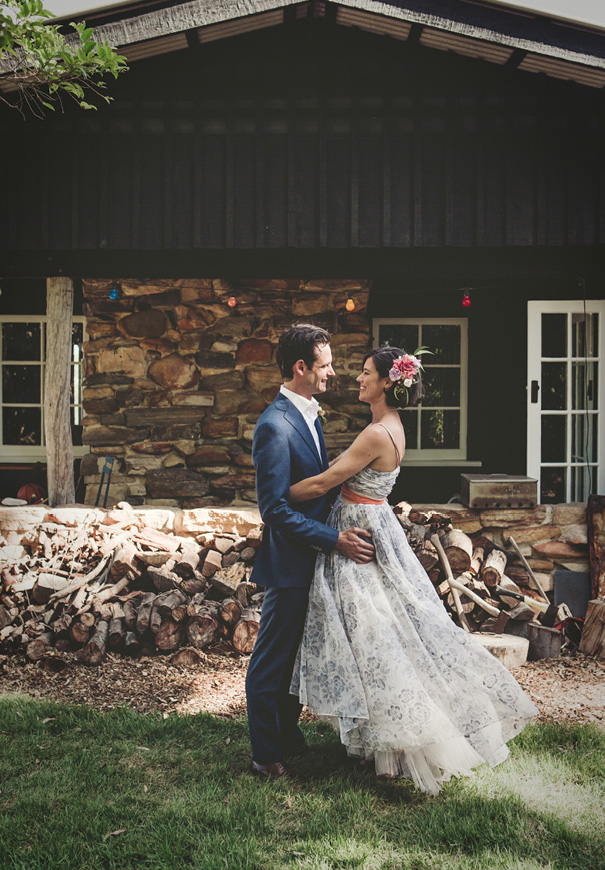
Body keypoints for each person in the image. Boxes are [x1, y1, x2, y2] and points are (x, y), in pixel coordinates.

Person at [288, 346, 539, 796]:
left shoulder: (375, 433)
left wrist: (277, 495)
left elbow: (326, 482)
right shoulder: (395, 427)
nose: (358, 379)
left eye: (366, 373)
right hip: (375, 522)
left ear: (388, 382)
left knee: (375, 638)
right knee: (386, 634)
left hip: (359, 531)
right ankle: (388, 750)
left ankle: (399, 745)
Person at [246, 323, 375, 780]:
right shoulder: (273, 426)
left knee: (298, 656)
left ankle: (287, 737)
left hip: (313, 559)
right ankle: (265, 756)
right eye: (325, 365)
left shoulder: (306, 413)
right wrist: (335, 540)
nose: (333, 374)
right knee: (270, 665)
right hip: (290, 565)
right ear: (301, 367)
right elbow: (274, 510)